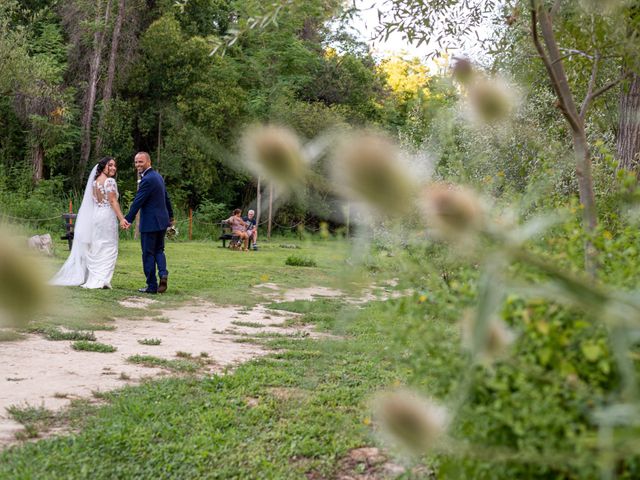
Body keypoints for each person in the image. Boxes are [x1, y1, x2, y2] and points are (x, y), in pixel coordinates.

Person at [51, 157, 127, 289]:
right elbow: (113, 201)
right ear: (103, 167)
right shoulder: (109, 181)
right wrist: (121, 218)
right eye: (110, 165)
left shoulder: (95, 182)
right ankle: (101, 279)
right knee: (109, 247)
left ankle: (94, 278)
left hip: (96, 216)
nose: (114, 168)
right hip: (107, 216)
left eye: (115, 165)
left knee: (98, 246)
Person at [122, 152, 174, 294]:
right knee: (159, 250)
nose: (138, 165)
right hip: (162, 222)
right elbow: (167, 198)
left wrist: (128, 219)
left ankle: (151, 286)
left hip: (150, 223)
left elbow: (138, 201)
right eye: (136, 162)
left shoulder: (147, 180)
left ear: (149, 162)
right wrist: (171, 216)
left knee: (148, 254)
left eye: (141, 162)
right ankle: (163, 273)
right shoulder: (158, 177)